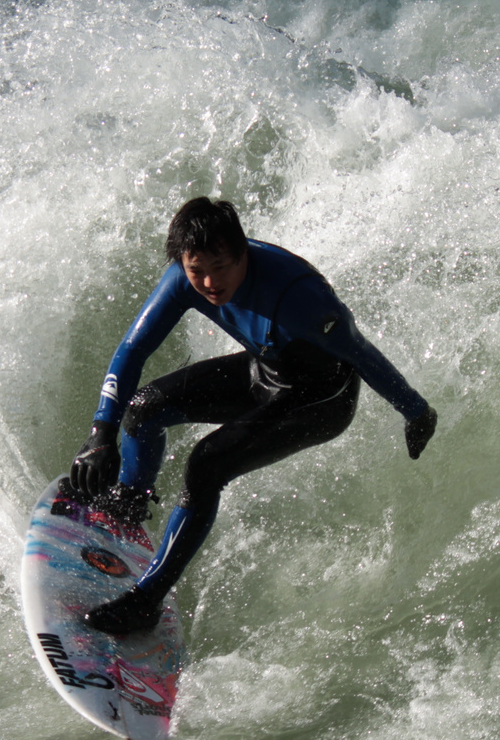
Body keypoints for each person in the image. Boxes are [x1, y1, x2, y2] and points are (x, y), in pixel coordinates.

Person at [68, 197, 437, 637]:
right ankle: (129, 500)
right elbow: (133, 349)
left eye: (220, 267)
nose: (208, 282)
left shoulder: (301, 297)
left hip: (320, 400)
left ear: (244, 253)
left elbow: (363, 355)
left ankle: (146, 602)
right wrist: (101, 432)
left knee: (206, 463)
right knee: (144, 408)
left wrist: (416, 413)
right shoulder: (185, 276)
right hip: (263, 369)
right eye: (196, 270)